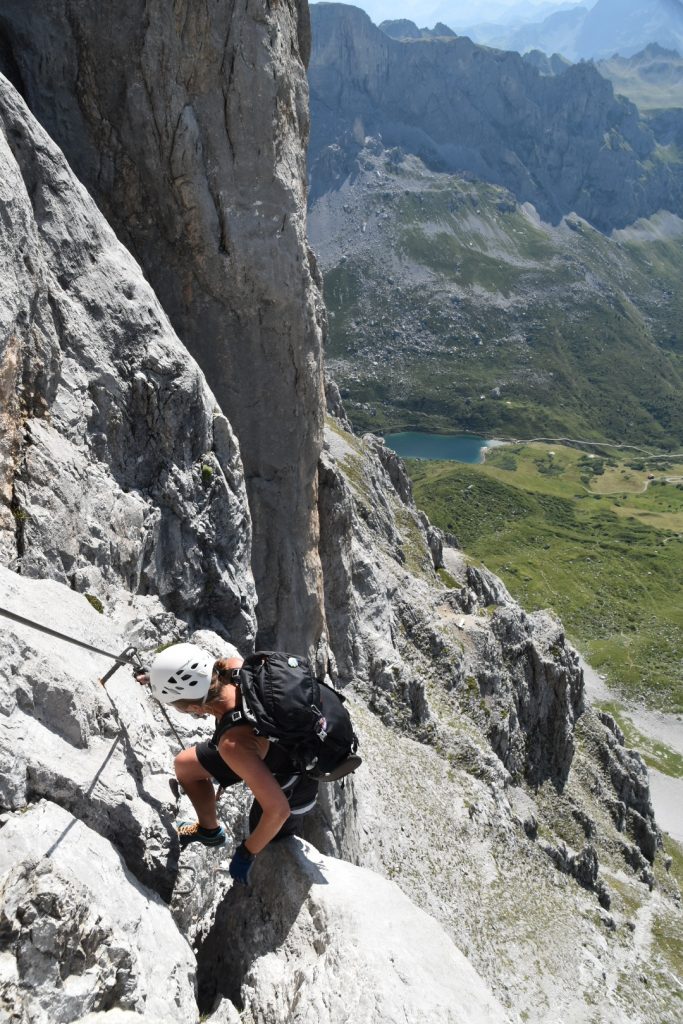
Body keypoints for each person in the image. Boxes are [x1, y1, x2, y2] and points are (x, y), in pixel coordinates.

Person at [140, 643, 319, 885]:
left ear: (195, 707)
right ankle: (208, 831)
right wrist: (159, 680)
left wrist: (247, 853)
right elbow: (197, 679)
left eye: (177, 705)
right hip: (257, 747)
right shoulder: (234, 667)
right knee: (186, 766)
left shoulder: (232, 745)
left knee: (267, 837)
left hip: (294, 782)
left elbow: (279, 810)